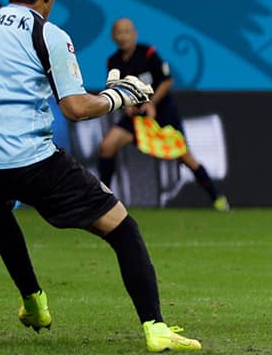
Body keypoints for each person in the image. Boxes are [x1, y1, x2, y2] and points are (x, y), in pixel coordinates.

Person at [0, 0, 201, 352]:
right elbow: (75, 109)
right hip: (27, 160)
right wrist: (118, 96)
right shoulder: (47, 33)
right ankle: (156, 327)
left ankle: (34, 302)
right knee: (123, 228)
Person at [98, 18, 230, 212]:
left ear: (134, 34)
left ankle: (217, 198)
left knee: (186, 158)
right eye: (119, 32)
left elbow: (167, 81)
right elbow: (116, 89)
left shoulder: (148, 54)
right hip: (135, 119)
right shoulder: (113, 61)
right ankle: (104, 201)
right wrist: (125, 106)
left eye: (127, 32)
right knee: (106, 146)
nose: (123, 36)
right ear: (113, 36)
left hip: (161, 115)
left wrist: (151, 103)